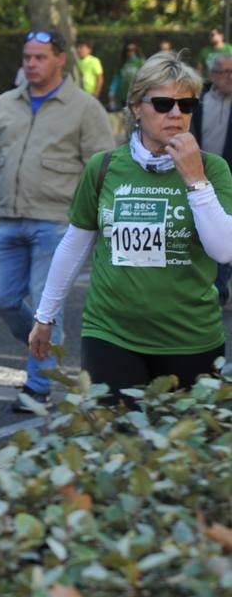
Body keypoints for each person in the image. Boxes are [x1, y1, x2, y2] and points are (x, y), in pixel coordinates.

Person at [27, 51, 232, 401]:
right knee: (113, 443)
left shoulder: (212, 169)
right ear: (137, 107)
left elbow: (223, 250)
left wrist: (195, 181)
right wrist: (45, 315)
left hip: (189, 337)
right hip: (110, 333)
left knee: (178, 452)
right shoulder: (104, 166)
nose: (176, 115)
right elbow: (75, 244)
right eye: (165, 103)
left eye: (186, 106)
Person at [0, 30, 114, 412]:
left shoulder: (85, 108)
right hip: (10, 219)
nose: (31, 64)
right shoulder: (3, 105)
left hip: (56, 222)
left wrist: (103, 225)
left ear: (61, 59)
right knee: (0, 297)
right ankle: (44, 347)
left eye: (40, 57)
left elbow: (103, 170)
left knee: (45, 307)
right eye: (27, 57)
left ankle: (39, 385)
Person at [194, 53, 232, 306]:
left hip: (230, 178)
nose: (229, 77)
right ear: (212, 75)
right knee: (204, 229)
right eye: (224, 72)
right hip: (200, 177)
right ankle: (212, 286)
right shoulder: (197, 103)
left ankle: (220, 286)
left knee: (226, 232)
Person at [108, 40, 143, 111]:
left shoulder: (141, 62)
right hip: (124, 95)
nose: (131, 52)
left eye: (134, 50)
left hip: (137, 95)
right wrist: (112, 91)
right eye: (128, 50)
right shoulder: (121, 64)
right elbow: (116, 79)